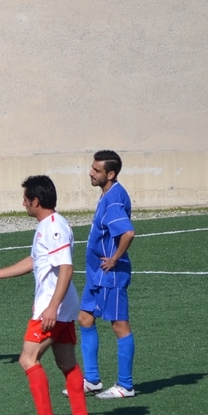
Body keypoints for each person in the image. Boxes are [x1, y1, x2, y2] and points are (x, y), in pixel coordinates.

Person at [0, 175, 93, 415]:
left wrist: (51, 307)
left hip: (54, 308)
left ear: (35, 201)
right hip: (61, 307)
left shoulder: (55, 227)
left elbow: (66, 268)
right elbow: (35, 260)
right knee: (66, 362)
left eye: (25, 199)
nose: (23, 203)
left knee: (28, 359)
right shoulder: (45, 226)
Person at [73, 150, 137, 399]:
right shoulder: (108, 194)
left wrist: (114, 258)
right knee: (85, 318)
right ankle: (92, 380)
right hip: (96, 276)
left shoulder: (114, 201)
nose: (90, 173)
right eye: (92, 167)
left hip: (110, 276)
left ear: (110, 174)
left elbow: (128, 232)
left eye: (96, 170)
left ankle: (125, 385)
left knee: (119, 326)